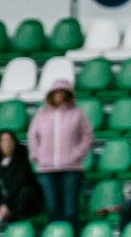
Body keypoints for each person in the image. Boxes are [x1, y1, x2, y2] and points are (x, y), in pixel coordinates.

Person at [27, 77, 93, 227]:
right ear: (51, 94)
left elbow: (87, 135)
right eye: (57, 92)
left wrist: (77, 154)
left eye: (64, 92)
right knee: (52, 208)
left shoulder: (77, 114)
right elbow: (32, 136)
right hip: (46, 170)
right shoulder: (41, 115)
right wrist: (37, 155)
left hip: (72, 169)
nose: (60, 95)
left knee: (71, 210)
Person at [0, 129, 45, 226]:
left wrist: (7, 205)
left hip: (17, 201)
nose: (7, 144)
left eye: (9, 141)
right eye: (3, 141)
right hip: (0, 203)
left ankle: (9, 217)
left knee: (26, 193)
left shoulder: (22, 162)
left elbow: (20, 185)